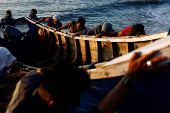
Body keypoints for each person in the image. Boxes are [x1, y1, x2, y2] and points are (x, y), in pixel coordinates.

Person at [6, 49, 166, 113]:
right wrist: (129, 77)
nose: (76, 103)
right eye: (73, 100)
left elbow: (39, 72)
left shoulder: (32, 78)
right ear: (53, 104)